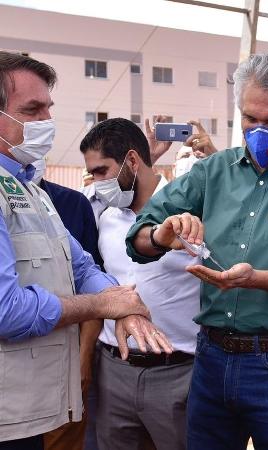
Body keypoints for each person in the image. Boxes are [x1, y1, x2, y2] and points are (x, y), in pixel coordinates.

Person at [125, 50, 268, 450]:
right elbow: (138, 238)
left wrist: (257, 280)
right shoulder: (213, 171)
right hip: (213, 358)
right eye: (251, 119)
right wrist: (162, 236)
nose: (259, 130)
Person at [0, 51, 171, 450]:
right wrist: (102, 306)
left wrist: (122, 303)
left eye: (48, 108)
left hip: (29, 411)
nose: (46, 121)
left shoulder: (29, 191)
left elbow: (80, 265)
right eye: (32, 109)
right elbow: (6, 311)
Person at [80, 118, 200, 450]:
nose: (97, 182)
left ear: (132, 161)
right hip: (113, 369)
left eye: (103, 171)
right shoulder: (103, 215)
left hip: (179, 372)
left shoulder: (189, 211)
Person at [30, 160, 103, 450]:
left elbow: (87, 274)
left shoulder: (68, 204)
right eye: (31, 111)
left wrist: (84, 357)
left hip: (63, 363)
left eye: (44, 112)